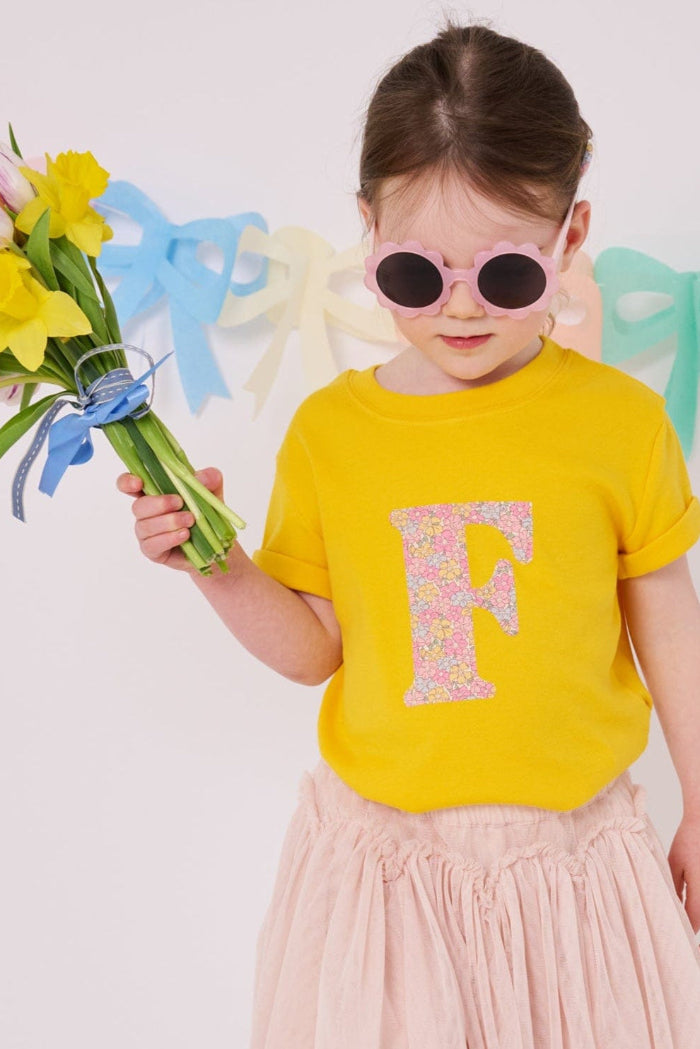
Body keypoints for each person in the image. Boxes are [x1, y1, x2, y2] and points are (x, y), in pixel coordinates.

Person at [116, 19, 700, 1049]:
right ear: (365, 231)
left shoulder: (616, 422)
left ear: (570, 238)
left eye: (508, 275)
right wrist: (217, 565)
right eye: (416, 277)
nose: (462, 309)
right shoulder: (335, 434)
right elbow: (315, 650)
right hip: (388, 873)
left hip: (574, 865)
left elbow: (666, 614)